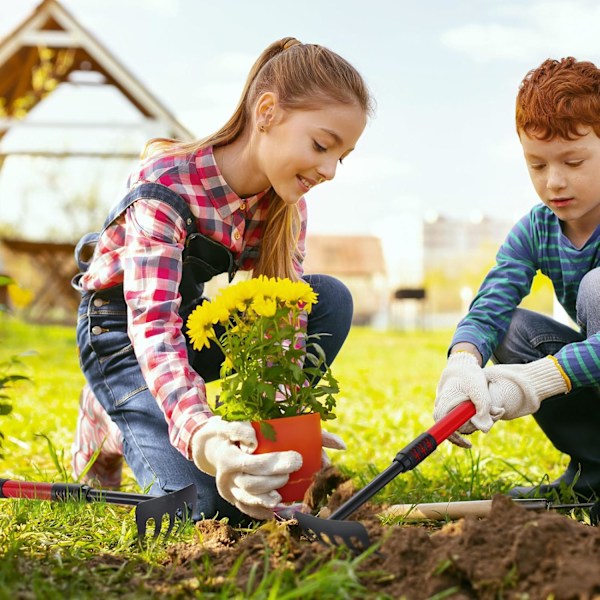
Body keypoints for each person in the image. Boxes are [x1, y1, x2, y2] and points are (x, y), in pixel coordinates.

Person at [70, 37, 373, 522]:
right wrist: (204, 436)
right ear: (268, 112)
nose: (331, 170)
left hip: (187, 322)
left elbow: (285, 326)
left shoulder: (288, 208)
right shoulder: (165, 185)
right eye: (321, 145)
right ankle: (112, 410)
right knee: (206, 508)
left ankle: (209, 431)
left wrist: (282, 429)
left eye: (344, 156)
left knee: (327, 299)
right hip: (122, 336)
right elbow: (153, 328)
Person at [433, 56, 600, 501]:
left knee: (595, 288)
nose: (554, 183)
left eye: (573, 161)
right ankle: (594, 472)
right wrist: (463, 362)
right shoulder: (537, 228)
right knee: (508, 328)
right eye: (538, 166)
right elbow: (492, 303)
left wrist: (535, 379)